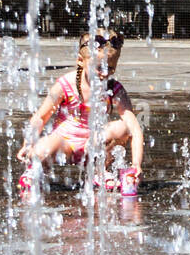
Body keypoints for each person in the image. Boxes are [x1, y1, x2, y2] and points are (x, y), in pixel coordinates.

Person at [16, 29, 144, 199]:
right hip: (65, 143)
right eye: (99, 68)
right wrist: (28, 142)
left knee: (123, 127)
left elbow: (135, 129)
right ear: (80, 61)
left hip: (93, 144)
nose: (105, 74)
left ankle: (101, 169)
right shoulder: (65, 85)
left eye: (110, 69)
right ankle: (38, 171)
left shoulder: (114, 89)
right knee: (40, 151)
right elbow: (41, 116)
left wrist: (136, 165)